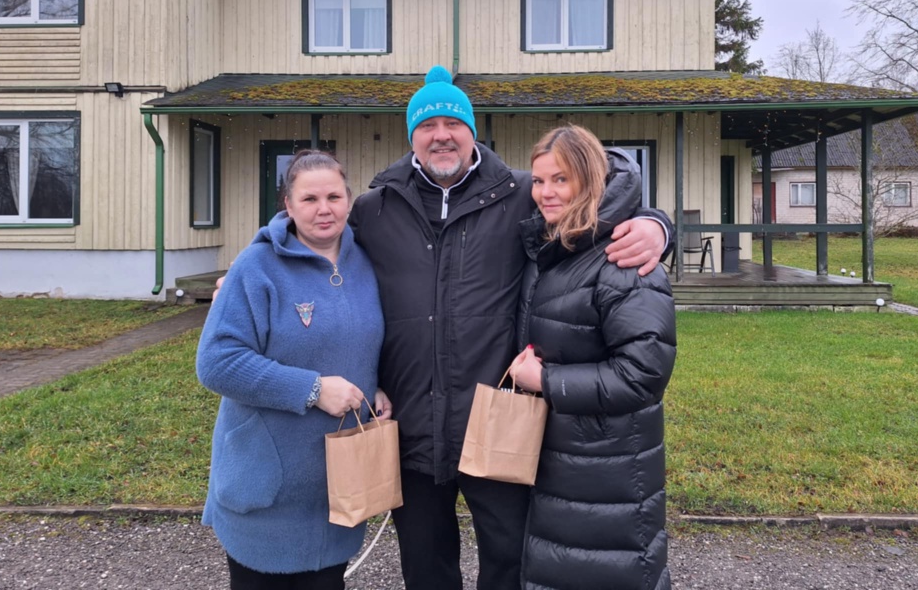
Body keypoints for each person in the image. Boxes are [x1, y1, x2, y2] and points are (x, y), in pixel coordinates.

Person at [346, 65, 675, 590]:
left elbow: (604, 179)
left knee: (508, 563)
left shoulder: (521, 193)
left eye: (453, 123)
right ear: (412, 137)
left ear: (472, 131)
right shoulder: (374, 208)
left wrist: (657, 224)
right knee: (425, 567)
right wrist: (260, 262)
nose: (441, 135)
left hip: (499, 419)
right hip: (412, 423)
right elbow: (312, 225)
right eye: (427, 126)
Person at [196, 149, 391, 590]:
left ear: (349, 200)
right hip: (267, 489)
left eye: (334, 197)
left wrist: (375, 384)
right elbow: (217, 362)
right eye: (309, 199)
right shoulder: (256, 267)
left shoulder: (367, 264)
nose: (324, 209)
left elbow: (362, 338)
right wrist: (313, 389)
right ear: (288, 204)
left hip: (337, 490)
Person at [508, 124, 677, 590]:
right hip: (567, 459)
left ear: (588, 180)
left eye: (560, 179)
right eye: (538, 181)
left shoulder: (623, 259)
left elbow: (643, 374)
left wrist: (546, 381)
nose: (545, 192)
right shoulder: (555, 247)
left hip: (610, 467)